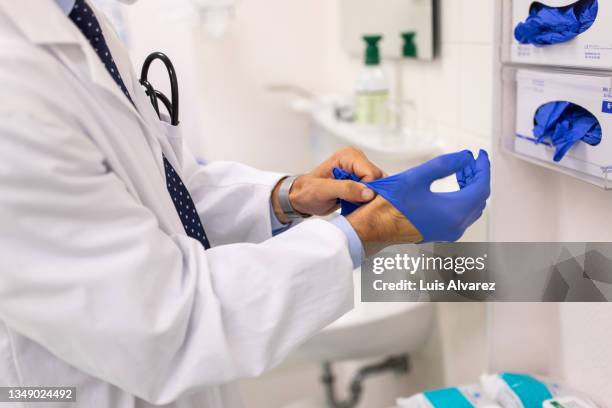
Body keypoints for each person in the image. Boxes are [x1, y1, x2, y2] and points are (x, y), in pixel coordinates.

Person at [0, 1, 490, 407]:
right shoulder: (14, 87)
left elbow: (167, 192)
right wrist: (365, 233)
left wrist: (288, 196)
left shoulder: (82, 24)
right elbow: (168, 319)